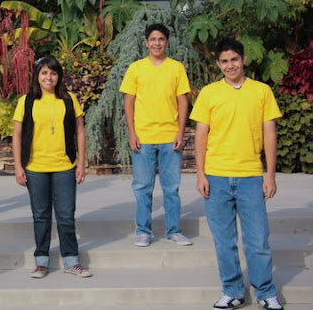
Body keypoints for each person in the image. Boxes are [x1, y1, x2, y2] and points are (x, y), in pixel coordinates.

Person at [191, 39, 284, 310]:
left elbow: (270, 133)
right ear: (218, 64)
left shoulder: (262, 91)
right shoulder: (209, 93)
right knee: (224, 242)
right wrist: (200, 174)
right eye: (224, 61)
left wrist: (270, 175)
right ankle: (232, 291)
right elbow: (201, 135)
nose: (230, 65)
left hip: (250, 176)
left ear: (243, 59)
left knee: (258, 240)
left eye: (234, 59)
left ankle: (265, 292)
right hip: (216, 177)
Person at [12, 56, 91, 279]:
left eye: (53, 73)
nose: (49, 77)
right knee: (40, 215)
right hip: (35, 167)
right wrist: (18, 166)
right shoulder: (26, 101)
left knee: (66, 215)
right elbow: (17, 135)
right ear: (37, 76)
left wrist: (81, 163)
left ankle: (71, 260)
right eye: (44, 73)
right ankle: (41, 261)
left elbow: (80, 132)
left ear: (59, 76)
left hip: (64, 165)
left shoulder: (69, 99)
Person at [119, 23, 192, 247]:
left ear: (167, 42)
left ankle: (173, 231)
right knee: (143, 187)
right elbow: (128, 103)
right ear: (146, 42)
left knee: (171, 188)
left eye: (161, 39)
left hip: (170, 137)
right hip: (143, 137)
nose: (157, 43)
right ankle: (144, 231)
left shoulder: (176, 68)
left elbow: (183, 101)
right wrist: (132, 132)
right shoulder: (136, 68)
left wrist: (180, 131)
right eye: (153, 39)